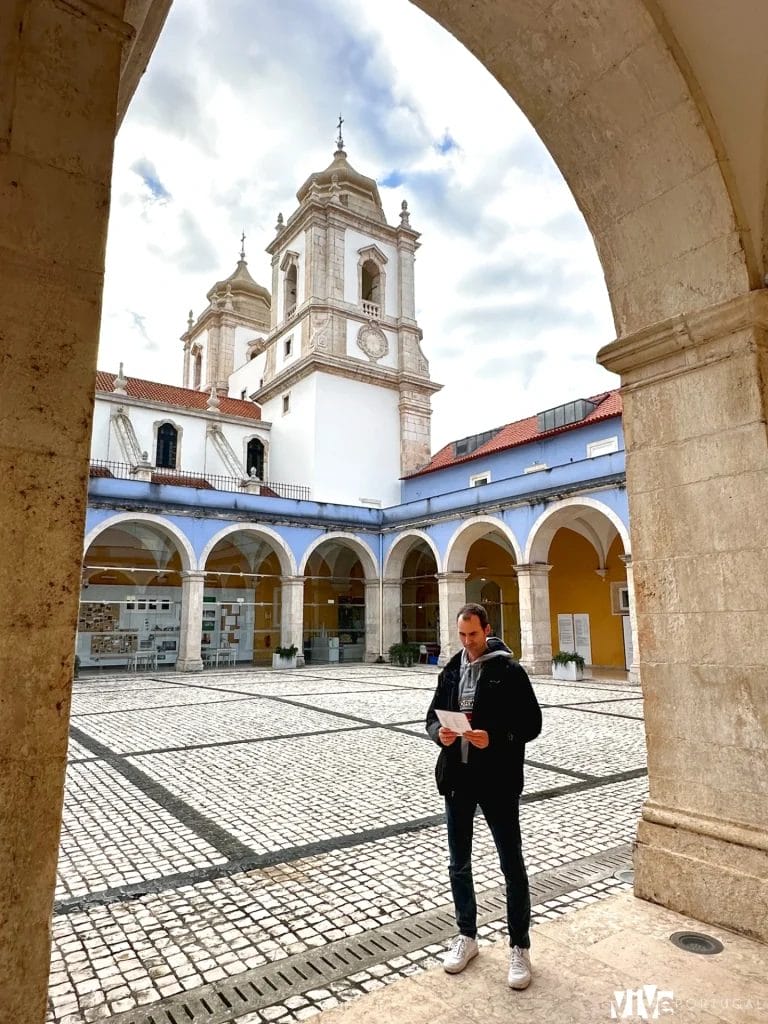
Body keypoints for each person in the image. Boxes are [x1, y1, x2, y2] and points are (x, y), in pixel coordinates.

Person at [426, 602, 542, 989]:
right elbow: (431, 716)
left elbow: (531, 723)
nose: (467, 641)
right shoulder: (451, 669)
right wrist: (439, 734)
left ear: (487, 630)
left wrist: (495, 737)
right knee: (458, 863)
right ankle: (467, 936)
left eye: (472, 634)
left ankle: (520, 946)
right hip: (457, 778)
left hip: (497, 780)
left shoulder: (508, 671)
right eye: (461, 635)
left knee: (511, 864)